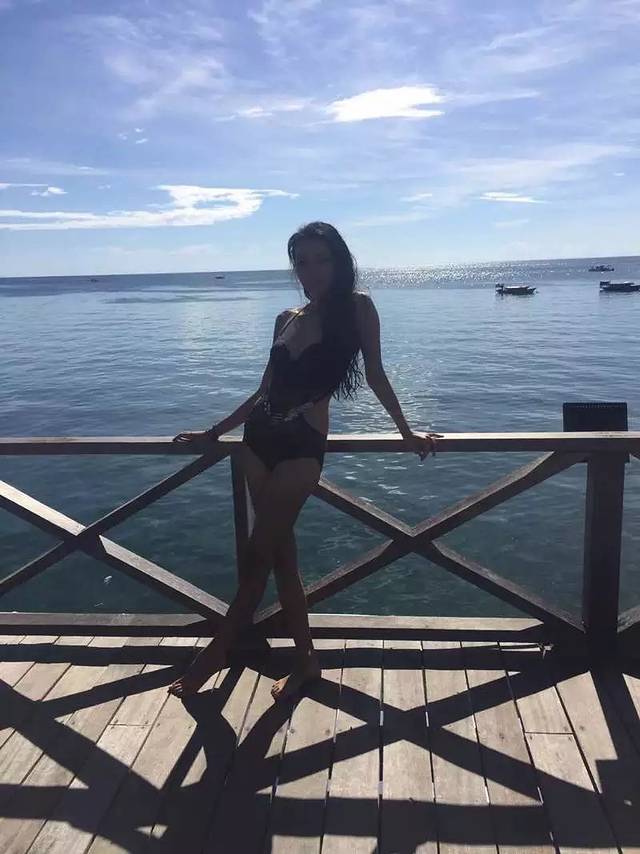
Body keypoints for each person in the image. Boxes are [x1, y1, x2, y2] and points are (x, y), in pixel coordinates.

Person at [169, 221, 441, 701]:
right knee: (280, 559)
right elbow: (264, 389)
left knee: (258, 555)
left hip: (302, 444)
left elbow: (376, 374)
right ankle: (306, 662)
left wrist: (406, 431)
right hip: (257, 440)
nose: (311, 271)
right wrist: (214, 432)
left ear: (340, 262)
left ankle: (215, 653)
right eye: (302, 262)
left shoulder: (358, 308)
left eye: (322, 259)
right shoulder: (286, 317)